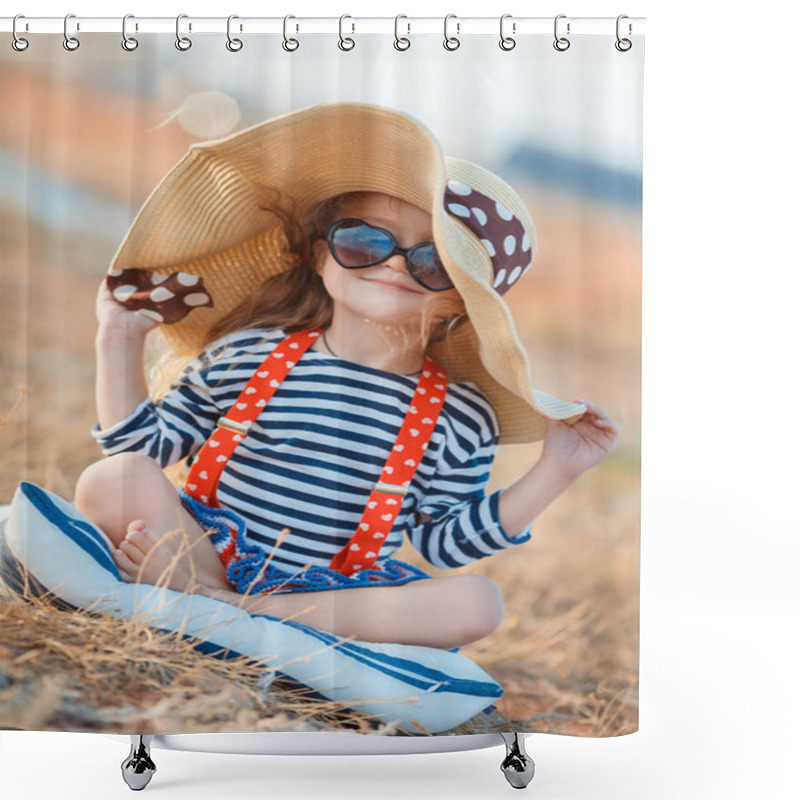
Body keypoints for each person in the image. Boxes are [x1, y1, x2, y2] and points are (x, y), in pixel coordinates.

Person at [73, 103, 620, 652]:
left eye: (433, 261)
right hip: (205, 551)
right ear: (320, 255)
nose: (394, 264)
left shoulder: (461, 414)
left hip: (332, 595)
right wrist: (117, 339)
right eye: (366, 240)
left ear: (459, 296)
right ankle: (224, 605)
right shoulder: (248, 353)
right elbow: (140, 446)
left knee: (478, 602)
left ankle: (227, 609)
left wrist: (557, 470)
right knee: (112, 478)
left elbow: (444, 545)